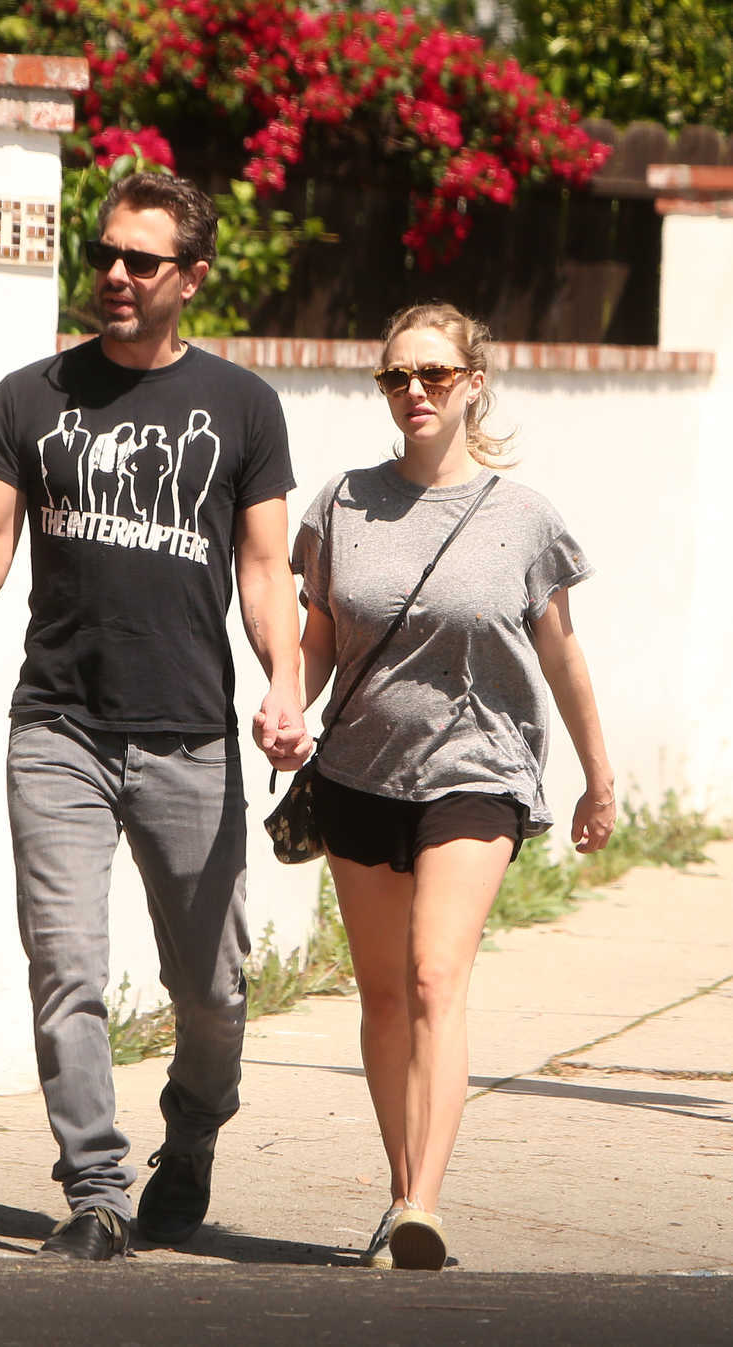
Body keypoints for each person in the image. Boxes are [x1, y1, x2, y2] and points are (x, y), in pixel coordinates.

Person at [0, 171, 306, 1261]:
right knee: (63, 965)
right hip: (58, 729)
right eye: (103, 254)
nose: (113, 274)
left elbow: (263, 570)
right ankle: (96, 1190)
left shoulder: (241, 406)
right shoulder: (29, 397)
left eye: (139, 261)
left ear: (187, 279)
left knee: (212, 990)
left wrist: (285, 683)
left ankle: (191, 1136)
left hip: (191, 735)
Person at [284, 301, 615, 1272]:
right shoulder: (340, 504)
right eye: (395, 377)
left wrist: (598, 778)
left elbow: (561, 657)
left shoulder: (524, 515)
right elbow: (316, 640)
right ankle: (399, 1191)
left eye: (432, 374)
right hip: (357, 770)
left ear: (474, 382)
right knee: (383, 996)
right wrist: (286, 710)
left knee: (435, 975)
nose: (413, 392)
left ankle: (424, 1202)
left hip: (479, 771)